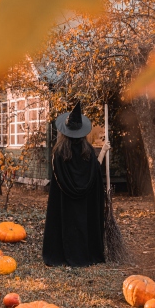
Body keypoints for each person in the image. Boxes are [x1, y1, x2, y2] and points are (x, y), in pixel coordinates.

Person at [43, 102, 110, 267]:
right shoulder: (86, 150)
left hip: (64, 202)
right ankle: (85, 254)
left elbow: (58, 178)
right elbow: (94, 173)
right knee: (82, 223)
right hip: (85, 202)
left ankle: (62, 254)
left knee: (66, 223)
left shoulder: (58, 153)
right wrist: (103, 151)